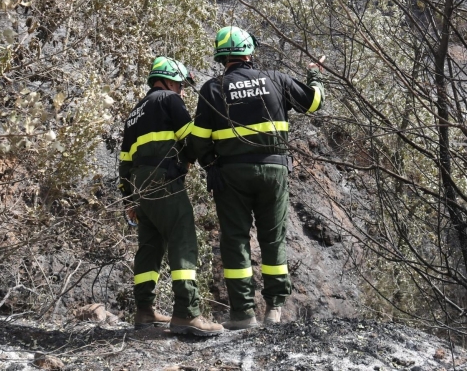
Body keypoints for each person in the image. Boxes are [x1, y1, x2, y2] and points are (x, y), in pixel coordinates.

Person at [188, 26, 325, 329]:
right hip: (274, 171)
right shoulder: (277, 79)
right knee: (273, 238)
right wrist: (315, 73)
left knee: (235, 240)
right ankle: (274, 308)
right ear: (250, 51)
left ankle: (243, 314)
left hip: (231, 174)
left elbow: (197, 140)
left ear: (221, 56)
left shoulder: (213, 88)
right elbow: (314, 102)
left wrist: (210, 163)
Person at [118, 56, 223, 336]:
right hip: (165, 180)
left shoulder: (134, 112)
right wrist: (190, 160)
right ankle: (187, 314)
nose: (183, 91)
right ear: (165, 80)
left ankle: (144, 311)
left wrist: (129, 200)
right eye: (180, 84)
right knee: (183, 239)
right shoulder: (170, 100)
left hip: (140, 188)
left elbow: (125, 162)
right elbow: (193, 138)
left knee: (149, 247)